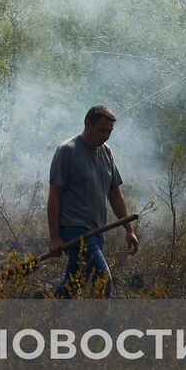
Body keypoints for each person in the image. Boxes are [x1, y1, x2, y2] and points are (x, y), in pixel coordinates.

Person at [48, 105, 138, 298]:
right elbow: (54, 195)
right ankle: (103, 328)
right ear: (88, 124)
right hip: (74, 230)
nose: (106, 136)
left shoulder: (106, 152)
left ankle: (48, 320)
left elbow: (115, 194)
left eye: (110, 132)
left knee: (73, 282)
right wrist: (55, 237)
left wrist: (129, 230)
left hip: (96, 231)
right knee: (103, 279)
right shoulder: (67, 151)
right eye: (102, 130)